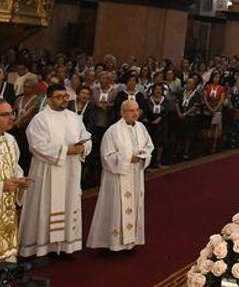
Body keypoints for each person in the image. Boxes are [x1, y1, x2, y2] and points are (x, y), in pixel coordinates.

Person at [18, 84, 92, 257]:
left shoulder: (75, 118)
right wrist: (66, 150)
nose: (64, 99)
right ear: (49, 98)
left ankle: (66, 246)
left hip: (71, 171)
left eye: (66, 96)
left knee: (69, 202)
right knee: (46, 204)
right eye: (59, 96)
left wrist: (83, 147)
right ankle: (42, 247)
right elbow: (37, 145)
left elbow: (87, 137)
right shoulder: (40, 119)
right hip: (48, 171)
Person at [87, 100, 153, 252]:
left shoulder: (141, 128)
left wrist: (144, 156)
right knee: (116, 207)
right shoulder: (113, 131)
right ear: (122, 112)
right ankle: (111, 243)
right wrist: (128, 159)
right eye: (131, 111)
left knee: (134, 205)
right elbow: (106, 156)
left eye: (137, 110)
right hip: (117, 177)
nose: (135, 113)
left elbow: (149, 146)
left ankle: (130, 242)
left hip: (135, 174)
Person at [0, 100, 30, 261]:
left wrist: (20, 181)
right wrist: (1, 186)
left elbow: (15, 166)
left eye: (12, 113)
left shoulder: (10, 140)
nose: (12, 118)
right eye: (5, 115)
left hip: (7, 208)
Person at [142, 83, 172, 169]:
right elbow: (144, 111)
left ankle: (158, 162)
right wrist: (145, 118)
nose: (158, 91)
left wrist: (160, 118)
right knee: (148, 144)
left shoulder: (165, 101)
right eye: (156, 89)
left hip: (161, 125)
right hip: (149, 125)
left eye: (160, 89)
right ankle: (147, 163)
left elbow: (166, 113)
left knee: (160, 143)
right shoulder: (147, 100)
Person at [177, 76, 203, 160]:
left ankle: (186, 151)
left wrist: (185, 114)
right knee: (179, 134)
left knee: (189, 135)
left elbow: (195, 106)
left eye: (190, 83)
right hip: (180, 115)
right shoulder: (181, 92)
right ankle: (178, 151)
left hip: (190, 116)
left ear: (194, 85)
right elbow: (177, 103)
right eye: (187, 83)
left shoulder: (197, 94)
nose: (188, 84)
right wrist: (179, 113)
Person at [203, 72, 225, 153]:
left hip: (217, 108)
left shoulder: (221, 88)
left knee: (216, 127)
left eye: (218, 77)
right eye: (215, 77)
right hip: (208, 107)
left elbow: (221, 99)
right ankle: (207, 144)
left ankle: (214, 145)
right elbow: (205, 98)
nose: (216, 79)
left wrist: (216, 108)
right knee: (209, 127)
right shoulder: (207, 86)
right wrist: (209, 108)